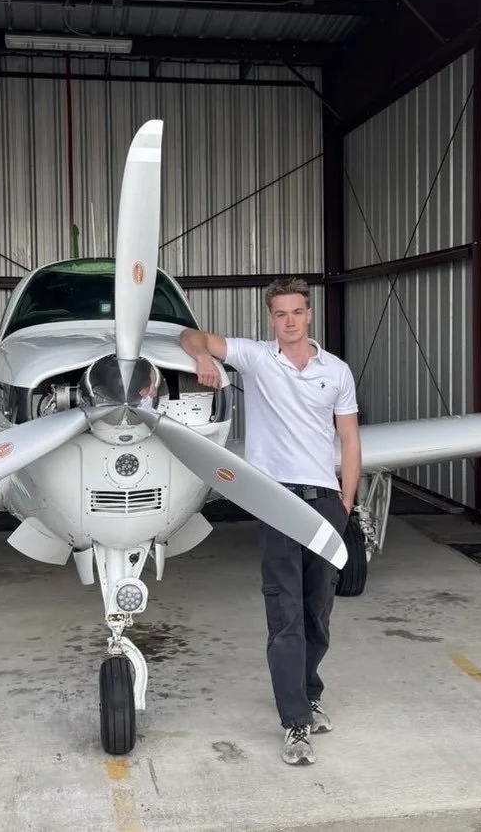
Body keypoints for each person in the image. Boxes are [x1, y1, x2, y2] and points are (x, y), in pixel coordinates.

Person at [180, 276, 361, 766]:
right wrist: (202, 357)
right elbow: (190, 336)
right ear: (270, 319)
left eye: (296, 312)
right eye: (279, 314)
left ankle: (309, 691)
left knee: (318, 611)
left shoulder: (336, 371)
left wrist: (346, 504)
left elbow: (349, 442)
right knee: (285, 616)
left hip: (325, 501)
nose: (288, 322)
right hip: (277, 500)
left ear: (309, 315)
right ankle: (295, 723)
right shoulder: (256, 357)